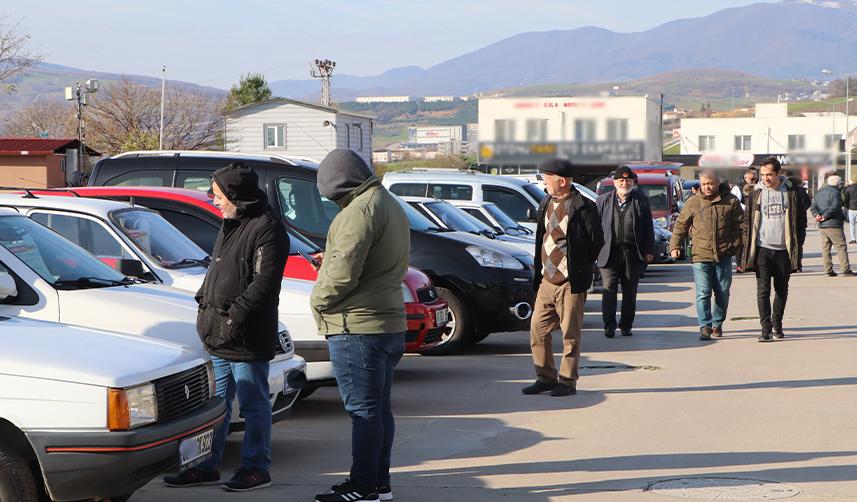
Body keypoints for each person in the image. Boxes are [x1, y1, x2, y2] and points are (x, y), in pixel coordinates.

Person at [164, 162, 289, 491]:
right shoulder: (231, 221)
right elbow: (219, 268)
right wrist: (205, 303)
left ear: (236, 195)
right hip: (218, 333)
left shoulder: (267, 227)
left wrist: (233, 318)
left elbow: (263, 285)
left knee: (253, 403)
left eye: (218, 195)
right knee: (214, 404)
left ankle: (256, 468)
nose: (213, 200)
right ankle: (204, 465)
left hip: (246, 337)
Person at [311, 149, 410, 502]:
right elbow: (365, 261)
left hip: (358, 326)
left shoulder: (358, 212)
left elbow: (343, 273)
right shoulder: (386, 202)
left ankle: (363, 487)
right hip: (387, 321)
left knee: (363, 412)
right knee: (379, 409)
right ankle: (378, 483)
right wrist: (333, 261)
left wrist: (318, 298)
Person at [525, 159, 603, 397]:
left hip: (570, 281)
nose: (544, 182)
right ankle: (546, 377)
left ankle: (567, 381)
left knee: (570, 332)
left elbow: (596, 242)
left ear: (562, 180)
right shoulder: (546, 202)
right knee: (537, 329)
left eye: (547, 177)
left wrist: (578, 266)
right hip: (546, 279)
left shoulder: (583, 206)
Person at [669, 171, 743, 340]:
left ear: (718, 184)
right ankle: (705, 326)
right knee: (703, 292)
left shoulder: (731, 201)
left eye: (710, 183)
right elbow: (680, 225)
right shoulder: (693, 202)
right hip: (700, 255)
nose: (707, 187)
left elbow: (741, 226)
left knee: (723, 292)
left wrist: (735, 245)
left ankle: (717, 324)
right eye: (703, 184)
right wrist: (675, 246)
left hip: (723, 255)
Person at [740, 157, 806, 342]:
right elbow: (747, 221)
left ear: (778, 174)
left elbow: (801, 221)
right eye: (763, 175)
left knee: (781, 290)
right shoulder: (756, 193)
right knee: (762, 290)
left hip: (783, 250)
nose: (766, 178)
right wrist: (747, 244)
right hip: (762, 248)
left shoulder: (791, 193)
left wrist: (797, 245)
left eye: (769, 174)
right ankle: (765, 329)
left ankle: (777, 324)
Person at [596, 166, 654, 338]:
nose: (624, 183)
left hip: (631, 253)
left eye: (628, 180)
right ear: (614, 182)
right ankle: (609, 325)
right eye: (621, 180)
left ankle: (626, 325)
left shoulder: (641, 201)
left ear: (633, 182)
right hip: (609, 252)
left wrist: (649, 250)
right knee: (609, 289)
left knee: (630, 292)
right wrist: (594, 250)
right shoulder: (603, 200)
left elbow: (648, 229)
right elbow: (595, 227)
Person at [810, 174, 853, 277]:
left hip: (822, 225)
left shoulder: (819, 192)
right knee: (840, 246)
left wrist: (817, 216)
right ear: (838, 184)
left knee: (826, 248)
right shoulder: (835, 193)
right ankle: (845, 269)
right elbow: (835, 206)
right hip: (833, 224)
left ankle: (828, 269)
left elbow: (813, 207)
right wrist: (825, 216)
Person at [731, 169, 759, 272]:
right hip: (741, 219)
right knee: (741, 242)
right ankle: (739, 265)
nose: (754, 181)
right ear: (745, 178)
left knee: (753, 240)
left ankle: (750, 263)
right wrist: (749, 207)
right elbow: (736, 202)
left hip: (754, 218)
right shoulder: (737, 188)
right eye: (752, 179)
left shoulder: (758, 186)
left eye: (755, 179)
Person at [843, 175, 857, 244]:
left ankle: (853, 239)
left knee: (852, 224)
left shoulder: (849, 188)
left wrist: (845, 207)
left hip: (851, 208)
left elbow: (846, 199)